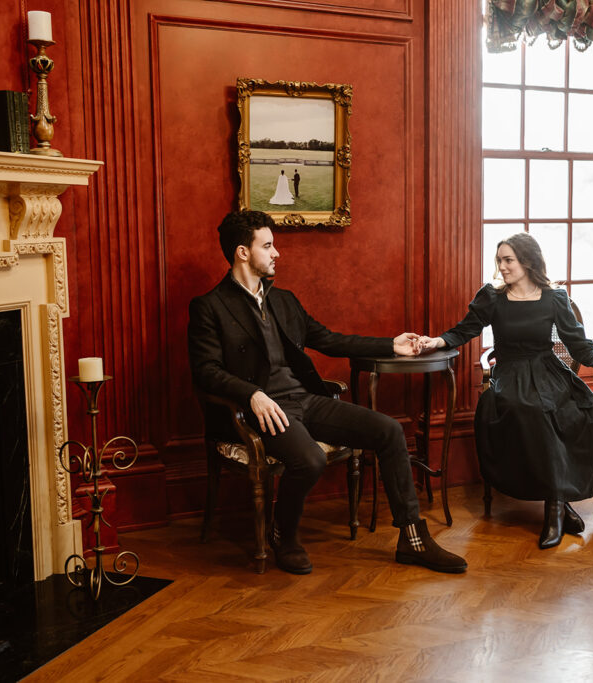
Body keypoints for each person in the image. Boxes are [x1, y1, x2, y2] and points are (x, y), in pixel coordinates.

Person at [188, 210, 467, 575]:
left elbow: (330, 340)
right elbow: (206, 372)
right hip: (261, 411)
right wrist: (252, 394)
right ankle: (283, 536)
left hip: (304, 400)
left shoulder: (283, 300)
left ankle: (413, 539)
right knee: (310, 460)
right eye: (268, 246)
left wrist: (390, 345)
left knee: (388, 430)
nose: (276, 253)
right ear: (243, 252)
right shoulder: (210, 307)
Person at [418, 232, 593, 549]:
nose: (501, 267)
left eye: (508, 260)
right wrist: (437, 341)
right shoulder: (493, 297)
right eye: (499, 260)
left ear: (527, 261)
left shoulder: (554, 298)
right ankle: (558, 507)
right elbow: (466, 329)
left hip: (549, 371)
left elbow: (579, 345)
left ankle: (557, 503)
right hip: (511, 372)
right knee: (531, 411)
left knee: (585, 409)